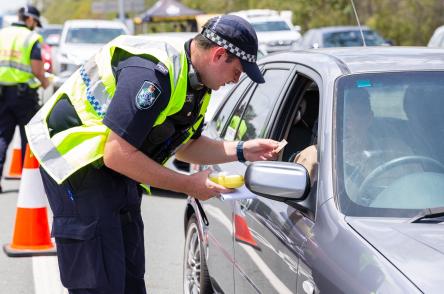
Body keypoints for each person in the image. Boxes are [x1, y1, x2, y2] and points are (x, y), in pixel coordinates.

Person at [25, 15, 279, 294]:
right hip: (77, 162)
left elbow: (185, 145)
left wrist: (243, 151)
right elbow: (117, 153)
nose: (236, 79)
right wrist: (189, 185)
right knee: (99, 282)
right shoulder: (152, 76)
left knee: (130, 278)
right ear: (220, 55)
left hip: (115, 166)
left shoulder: (196, 86)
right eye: (238, 70)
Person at [0, 5, 49, 193]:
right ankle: (28, 181)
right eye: (35, 22)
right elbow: (37, 68)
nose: (35, 26)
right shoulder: (31, 38)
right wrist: (45, 82)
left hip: (2, 93)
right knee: (28, 137)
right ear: (29, 19)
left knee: (2, 135)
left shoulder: (2, 34)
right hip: (23, 96)